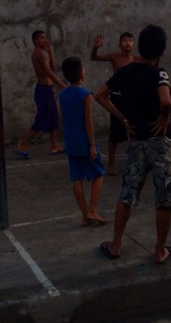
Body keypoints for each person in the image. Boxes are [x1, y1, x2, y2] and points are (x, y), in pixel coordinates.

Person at [95, 24, 171, 264]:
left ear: (140, 47)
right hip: (160, 142)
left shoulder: (124, 72)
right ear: (161, 51)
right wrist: (164, 116)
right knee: (164, 197)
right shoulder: (159, 73)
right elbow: (166, 101)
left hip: (137, 141)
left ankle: (115, 245)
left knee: (127, 194)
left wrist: (123, 118)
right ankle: (160, 250)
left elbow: (100, 95)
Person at [59, 57, 107, 227]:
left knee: (77, 178)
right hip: (84, 140)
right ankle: (92, 210)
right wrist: (92, 144)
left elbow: (62, 119)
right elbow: (88, 121)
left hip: (71, 142)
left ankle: (84, 215)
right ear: (80, 73)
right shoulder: (86, 94)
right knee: (99, 174)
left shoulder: (63, 94)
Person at [15, 30, 66, 158]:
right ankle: (23, 143)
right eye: (42, 38)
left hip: (47, 89)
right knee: (42, 118)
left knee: (53, 117)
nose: (45, 40)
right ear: (36, 40)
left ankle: (55, 146)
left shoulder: (44, 52)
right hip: (43, 90)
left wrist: (51, 52)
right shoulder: (39, 53)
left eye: (45, 37)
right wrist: (63, 85)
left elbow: (53, 68)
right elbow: (49, 72)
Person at [91, 32, 135, 175]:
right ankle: (111, 163)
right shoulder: (114, 57)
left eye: (130, 40)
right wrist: (96, 47)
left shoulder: (136, 60)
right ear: (119, 44)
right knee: (115, 133)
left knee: (134, 129)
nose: (127, 43)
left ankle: (135, 160)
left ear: (133, 44)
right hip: (117, 98)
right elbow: (94, 57)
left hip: (131, 98)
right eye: (124, 40)